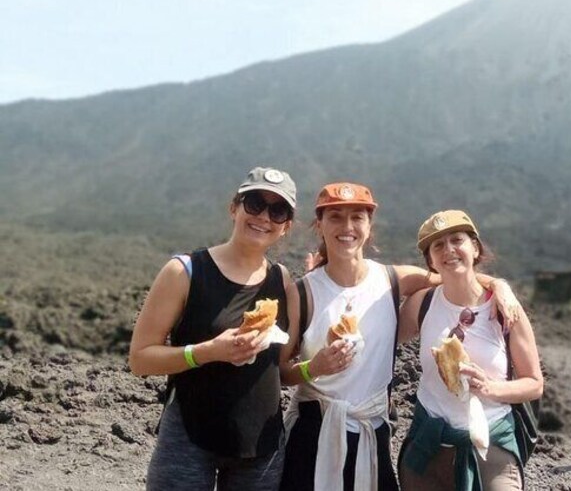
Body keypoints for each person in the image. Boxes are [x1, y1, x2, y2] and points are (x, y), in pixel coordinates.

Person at [279, 183, 522, 491]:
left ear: (369, 226)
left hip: (373, 431)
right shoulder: (303, 292)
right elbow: (282, 371)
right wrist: (313, 368)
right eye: (335, 217)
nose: (347, 227)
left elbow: (456, 274)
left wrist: (499, 284)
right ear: (320, 225)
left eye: (357, 217)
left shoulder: (392, 279)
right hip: (313, 432)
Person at [129, 166, 299, 491]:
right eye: (254, 204)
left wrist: (320, 367)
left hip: (260, 447)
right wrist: (207, 352)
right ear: (234, 207)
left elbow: (284, 368)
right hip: (189, 438)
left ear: (286, 227)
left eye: (277, 211)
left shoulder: (284, 281)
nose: (264, 216)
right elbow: (140, 359)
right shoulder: (185, 272)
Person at [397, 210, 543, 491]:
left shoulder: (505, 310)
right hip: (430, 447)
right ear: (430, 261)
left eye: (457, 240)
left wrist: (489, 388)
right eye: (437, 246)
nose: (449, 250)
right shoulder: (422, 304)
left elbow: (534, 384)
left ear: (475, 247)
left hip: (492, 446)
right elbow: (382, 341)